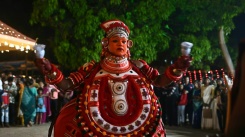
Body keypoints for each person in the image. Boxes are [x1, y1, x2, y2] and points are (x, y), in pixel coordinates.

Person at [35, 19, 192, 137]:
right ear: (105, 43)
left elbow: (160, 81)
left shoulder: (139, 66)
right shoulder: (92, 69)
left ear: (129, 44)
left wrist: (178, 68)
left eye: (124, 41)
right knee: (65, 120)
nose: (120, 44)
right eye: (115, 41)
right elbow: (67, 85)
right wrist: (50, 70)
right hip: (96, 122)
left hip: (138, 124)